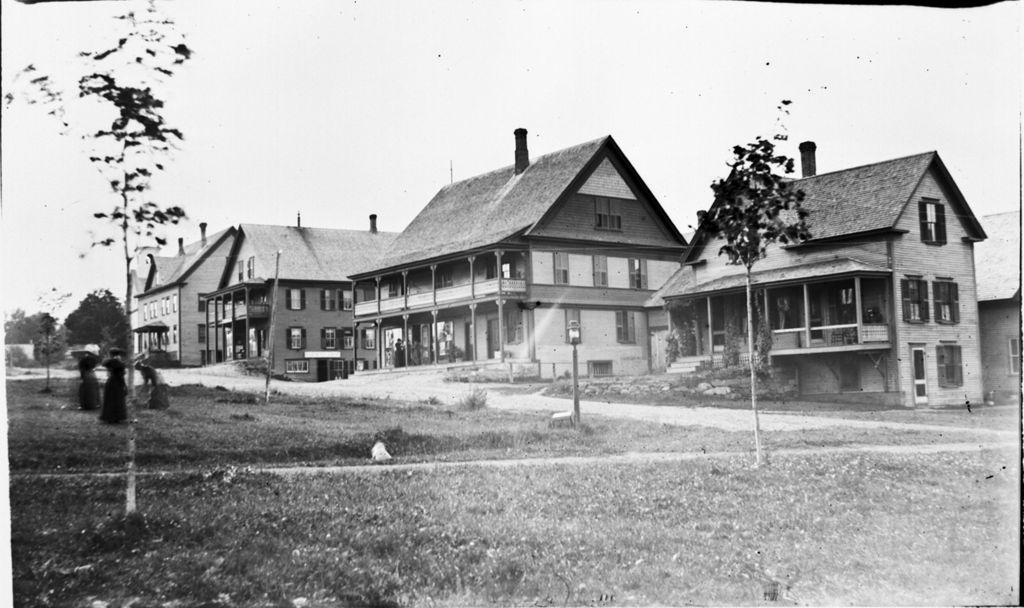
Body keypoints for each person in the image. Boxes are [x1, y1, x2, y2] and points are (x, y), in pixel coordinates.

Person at [100, 348, 128, 423]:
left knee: (110, 399)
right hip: (119, 381)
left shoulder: (112, 361)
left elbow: (103, 363)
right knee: (118, 399)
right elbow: (123, 373)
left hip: (112, 381)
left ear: (111, 354)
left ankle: (110, 417)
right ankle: (118, 417)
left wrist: (111, 358)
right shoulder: (120, 362)